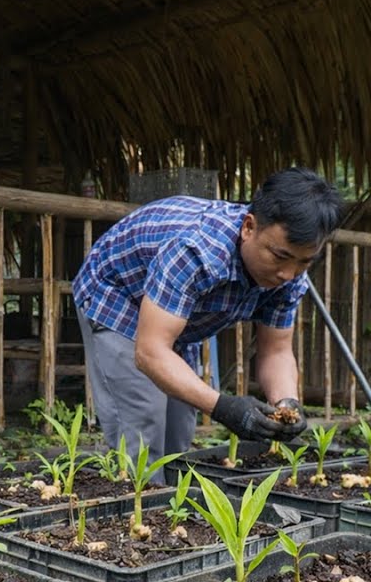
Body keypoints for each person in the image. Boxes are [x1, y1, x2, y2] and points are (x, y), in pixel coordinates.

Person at [72, 166, 343, 480]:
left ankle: (171, 508)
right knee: (142, 422)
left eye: (303, 261)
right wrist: (224, 408)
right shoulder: (196, 251)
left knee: (178, 426)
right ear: (249, 227)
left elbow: (277, 351)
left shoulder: (292, 275)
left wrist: (286, 403)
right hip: (118, 292)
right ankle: (134, 510)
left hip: (173, 316)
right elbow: (150, 352)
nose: (288, 273)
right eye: (279, 256)